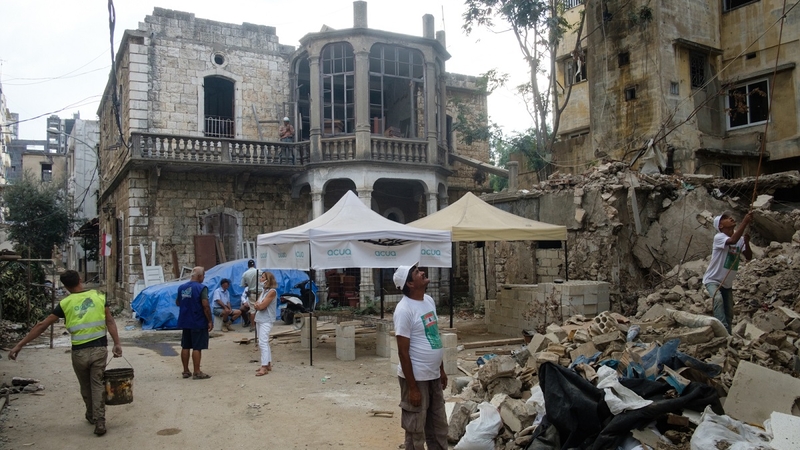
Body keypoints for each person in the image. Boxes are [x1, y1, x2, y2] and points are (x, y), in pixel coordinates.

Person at [8, 270, 122, 436]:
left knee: (85, 386)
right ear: (80, 280)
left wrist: (19, 345)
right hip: (99, 349)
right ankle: (99, 420)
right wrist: (117, 343)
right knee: (97, 384)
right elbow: (110, 320)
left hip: (79, 352)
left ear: (65, 286)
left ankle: (91, 415)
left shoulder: (65, 303)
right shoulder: (99, 296)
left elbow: (42, 325)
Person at [392, 263, 448, 450]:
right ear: (409, 283)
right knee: (416, 429)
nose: (423, 272)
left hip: (433, 375)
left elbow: (434, 336)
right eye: (417, 272)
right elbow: (402, 352)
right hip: (416, 379)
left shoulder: (429, 301)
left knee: (438, 425)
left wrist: (441, 369)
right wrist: (413, 387)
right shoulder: (404, 310)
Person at [702, 211, 754, 334]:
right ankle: (722, 332)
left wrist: (746, 242)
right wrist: (745, 222)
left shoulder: (739, 239)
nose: (730, 218)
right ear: (720, 226)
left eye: (730, 217)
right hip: (712, 280)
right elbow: (732, 241)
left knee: (729, 312)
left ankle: (728, 335)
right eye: (725, 218)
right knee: (718, 299)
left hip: (726, 283)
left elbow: (749, 256)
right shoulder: (719, 237)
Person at [176, 266, 213, 379]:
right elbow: (205, 305)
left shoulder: (182, 287)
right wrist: (209, 320)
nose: (204, 278)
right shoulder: (202, 288)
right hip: (197, 320)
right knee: (197, 347)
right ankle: (197, 371)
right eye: (203, 276)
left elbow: (178, 302)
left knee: (185, 345)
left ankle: (186, 371)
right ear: (200, 276)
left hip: (185, 320)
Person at [253, 271, 278, 376]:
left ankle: (264, 367)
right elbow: (257, 304)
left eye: (262, 277)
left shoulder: (272, 292)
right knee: (263, 342)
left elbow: (261, 306)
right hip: (260, 318)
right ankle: (267, 364)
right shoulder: (263, 291)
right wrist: (258, 305)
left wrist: (259, 305)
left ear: (268, 280)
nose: (260, 279)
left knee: (263, 342)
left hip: (266, 319)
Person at [240, 259, 258, 330]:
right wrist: (245, 302)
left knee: (253, 310)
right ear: (254, 265)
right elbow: (243, 296)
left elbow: (242, 284)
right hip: (258, 294)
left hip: (253, 294)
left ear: (248, 266)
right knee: (256, 309)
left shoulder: (245, 273)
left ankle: (253, 325)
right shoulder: (259, 272)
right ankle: (248, 322)